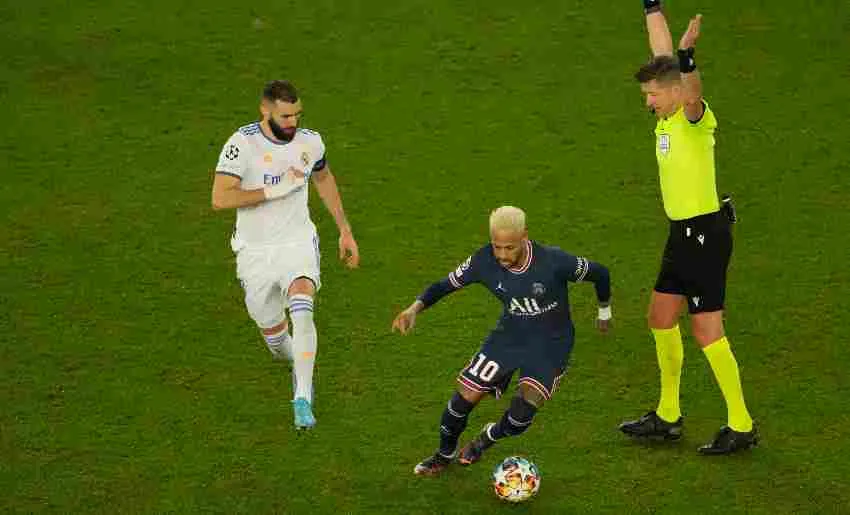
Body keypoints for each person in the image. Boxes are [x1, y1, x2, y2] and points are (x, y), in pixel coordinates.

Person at [618, 1, 757, 454]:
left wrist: (689, 55)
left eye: (652, 95)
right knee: (660, 318)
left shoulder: (695, 121)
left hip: (706, 235)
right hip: (681, 234)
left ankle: (741, 424)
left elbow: (691, 90)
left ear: (673, 93)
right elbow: (661, 54)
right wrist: (652, 6)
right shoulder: (664, 118)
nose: (647, 102)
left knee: (706, 330)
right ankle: (668, 415)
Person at [392, 206, 612, 475]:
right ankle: (443, 455)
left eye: (509, 248)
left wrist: (604, 311)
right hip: (510, 336)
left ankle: (487, 438)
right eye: (497, 247)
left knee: (520, 418)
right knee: (461, 401)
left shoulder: (554, 262)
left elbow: (600, 273)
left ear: (525, 237)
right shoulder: (483, 261)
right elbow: (444, 285)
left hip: (551, 344)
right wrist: (414, 309)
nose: (502, 256)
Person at [212, 80, 360, 430]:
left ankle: (302, 399)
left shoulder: (311, 142)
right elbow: (220, 198)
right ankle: (296, 359)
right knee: (277, 342)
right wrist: (271, 190)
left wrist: (345, 230)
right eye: (285, 115)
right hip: (255, 251)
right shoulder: (242, 144)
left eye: (297, 114)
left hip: (297, 243)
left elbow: (323, 178)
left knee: (303, 307)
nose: (293, 121)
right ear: (265, 110)